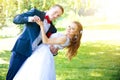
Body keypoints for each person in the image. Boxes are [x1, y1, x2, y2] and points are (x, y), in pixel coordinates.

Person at [6, 4, 64, 80]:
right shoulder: (35, 12)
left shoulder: (53, 29)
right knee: (12, 75)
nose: (55, 15)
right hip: (21, 50)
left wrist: (54, 51)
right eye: (55, 12)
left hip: (34, 56)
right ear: (50, 9)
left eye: (58, 15)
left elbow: (47, 44)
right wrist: (30, 18)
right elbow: (16, 19)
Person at [13, 20, 83, 80]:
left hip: (43, 53)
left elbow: (45, 41)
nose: (69, 29)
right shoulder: (68, 39)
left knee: (34, 73)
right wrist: (55, 51)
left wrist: (41, 26)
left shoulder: (65, 38)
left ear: (76, 33)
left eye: (72, 29)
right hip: (45, 53)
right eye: (69, 26)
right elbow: (55, 48)